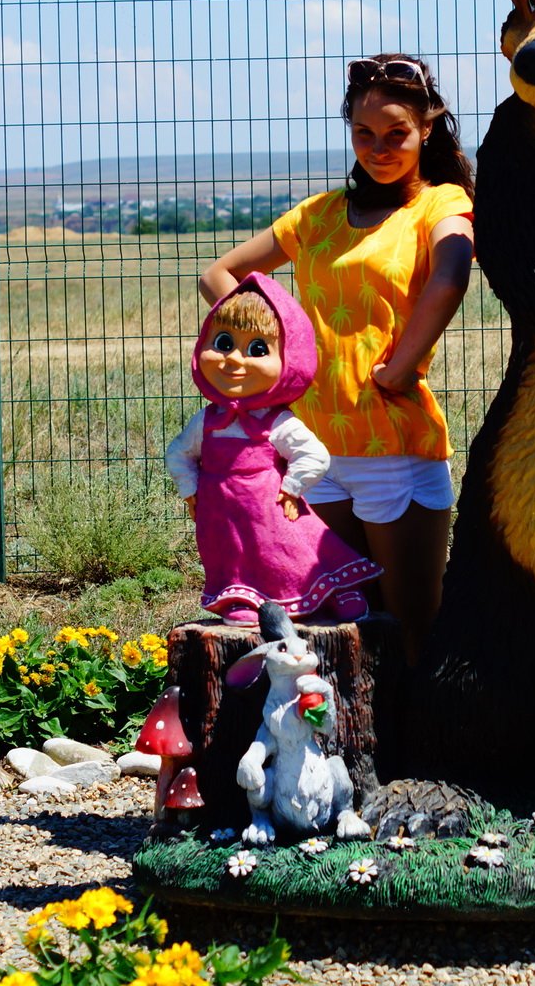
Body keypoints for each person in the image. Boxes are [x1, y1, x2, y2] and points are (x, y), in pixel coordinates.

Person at [199, 53, 475, 663]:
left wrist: (401, 367)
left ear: (427, 128)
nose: (379, 148)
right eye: (364, 133)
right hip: (310, 453)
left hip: (393, 446)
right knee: (337, 623)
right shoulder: (318, 215)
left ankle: (420, 728)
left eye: (396, 134)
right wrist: (272, 347)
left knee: (411, 627)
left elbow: (451, 276)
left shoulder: (440, 204)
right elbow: (220, 276)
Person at [167, 273, 381, 626]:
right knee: (232, 554)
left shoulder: (277, 422)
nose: (234, 360)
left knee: (289, 548)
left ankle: (335, 590)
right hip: (221, 511)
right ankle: (239, 596)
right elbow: (179, 453)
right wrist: (190, 490)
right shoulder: (207, 421)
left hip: (271, 505)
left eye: (257, 349)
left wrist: (292, 488)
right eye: (223, 343)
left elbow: (313, 454)